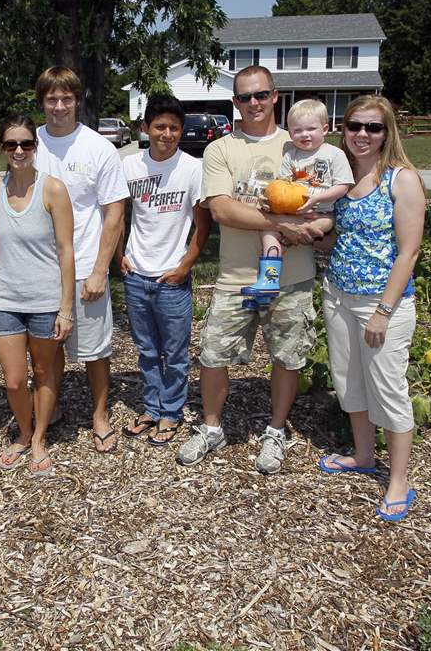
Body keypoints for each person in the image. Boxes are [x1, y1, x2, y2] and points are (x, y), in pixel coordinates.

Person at [177, 66, 331, 472]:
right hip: (236, 277)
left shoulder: (299, 144)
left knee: (287, 357)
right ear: (235, 103)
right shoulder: (221, 149)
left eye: (261, 95)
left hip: (293, 277)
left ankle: (276, 431)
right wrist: (279, 225)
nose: (254, 103)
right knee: (213, 354)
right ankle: (212, 428)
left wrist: (313, 226)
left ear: (275, 95)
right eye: (244, 98)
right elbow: (223, 208)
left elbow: (327, 199)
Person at [318, 96, 425, 522]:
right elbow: (340, 240)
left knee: (389, 390)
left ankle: (398, 481)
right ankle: (364, 455)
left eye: (373, 127)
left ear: (387, 133)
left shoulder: (402, 179)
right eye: (354, 125)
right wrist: (303, 233)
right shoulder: (342, 180)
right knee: (349, 382)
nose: (362, 134)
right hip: (338, 296)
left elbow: (409, 252)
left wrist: (383, 310)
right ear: (342, 129)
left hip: (382, 305)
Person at [33, 66, 129, 453]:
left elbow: (114, 214)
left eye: (66, 99)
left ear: (78, 100)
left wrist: (100, 270)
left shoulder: (98, 148)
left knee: (94, 351)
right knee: (46, 350)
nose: (59, 106)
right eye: (51, 99)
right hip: (39, 270)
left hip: (86, 264)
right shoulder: (28, 144)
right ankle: (48, 410)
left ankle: (100, 414)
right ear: (42, 102)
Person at [117, 94, 212, 446]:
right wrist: (118, 256)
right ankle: (151, 408)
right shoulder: (129, 166)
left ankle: (171, 411)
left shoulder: (192, 168)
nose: (167, 133)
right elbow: (114, 216)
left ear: (181, 130)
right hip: (136, 275)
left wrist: (184, 267)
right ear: (146, 128)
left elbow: (203, 226)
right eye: (160, 126)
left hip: (172, 280)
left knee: (174, 353)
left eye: (174, 127)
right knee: (146, 350)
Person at [0, 115, 76, 477]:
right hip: (5, 299)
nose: (19, 150)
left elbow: (66, 250)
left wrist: (66, 308)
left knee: (44, 372)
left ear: (36, 148)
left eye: (26, 144)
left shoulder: (53, 189)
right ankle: (23, 433)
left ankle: (39, 437)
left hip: (44, 299)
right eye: (12, 144)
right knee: (13, 380)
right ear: (3, 149)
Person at [241, 99, 353, 309]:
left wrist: (317, 198)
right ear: (290, 133)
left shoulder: (334, 154)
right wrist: (269, 200)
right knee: (268, 232)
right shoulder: (290, 155)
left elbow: (343, 186)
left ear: (325, 129)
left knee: (300, 232)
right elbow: (282, 184)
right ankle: (269, 280)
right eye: (298, 130)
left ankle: (269, 277)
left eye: (311, 129)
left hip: (321, 214)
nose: (305, 135)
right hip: (292, 213)